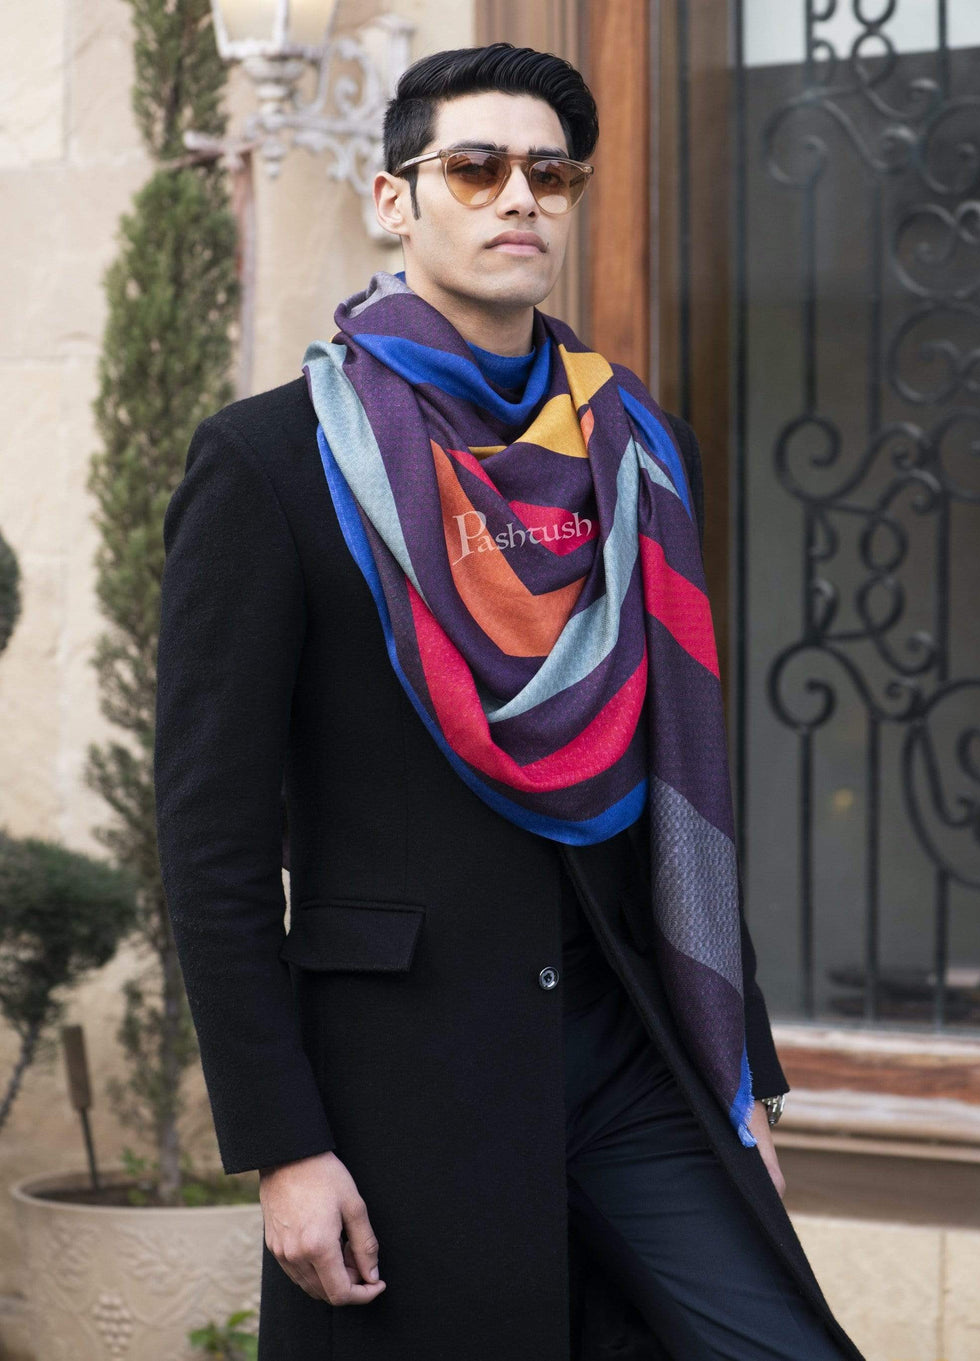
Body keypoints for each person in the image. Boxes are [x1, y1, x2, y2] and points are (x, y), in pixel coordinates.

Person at [153, 41, 865, 1361]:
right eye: (475, 167)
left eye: (551, 172)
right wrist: (282, 1143)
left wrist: (742, 1076)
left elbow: (684, 784)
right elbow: (212, 843)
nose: (519, 196)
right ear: (394, 198)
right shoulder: (271, 465)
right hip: (407, 1070)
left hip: (634, 1038)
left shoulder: (642, 451)